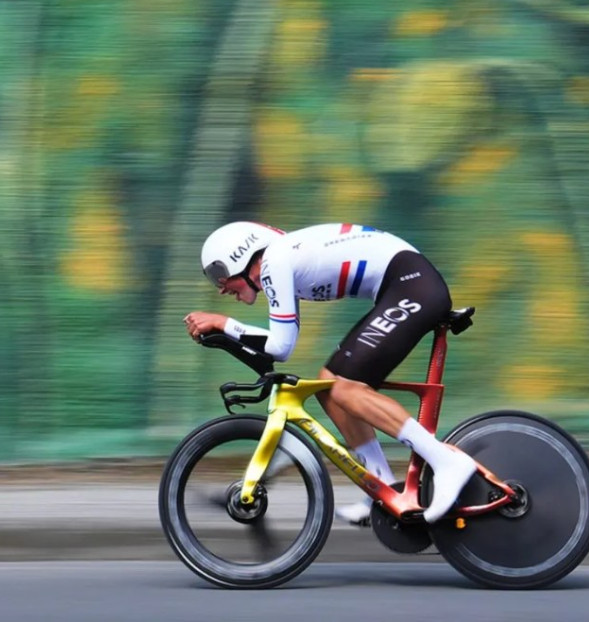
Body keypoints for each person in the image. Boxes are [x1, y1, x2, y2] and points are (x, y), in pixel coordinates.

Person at [184, 221, 476, 525]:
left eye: (219, 274)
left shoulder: (275, 260)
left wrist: (222, 323)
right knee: (330, 387)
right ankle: (384, 487)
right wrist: (226, 333)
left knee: (347, 388)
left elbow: (280, 347)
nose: (220, 287)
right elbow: (278, 346)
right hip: (406, 285)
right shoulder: (282, 260)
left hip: (413, 286)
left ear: (240, 256)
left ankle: (446, 460)